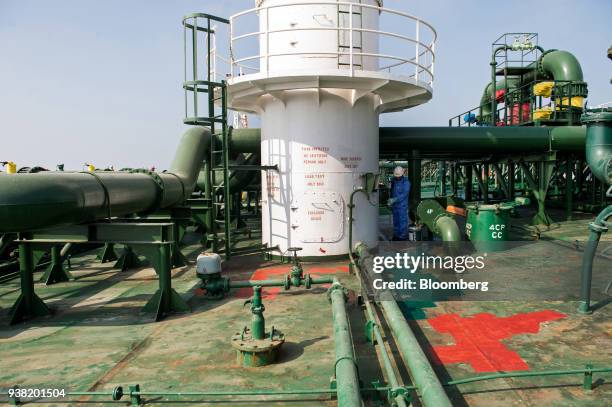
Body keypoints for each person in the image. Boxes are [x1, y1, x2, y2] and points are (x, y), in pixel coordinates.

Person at [388, 166, 411, 241]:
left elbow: (405, 194)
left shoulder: (406, 182)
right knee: (396, 221)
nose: (397, 177)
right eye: (396, 176)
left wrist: (395, 199)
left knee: (402, 221)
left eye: (399, 176)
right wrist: (390, 201)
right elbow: (391, 191)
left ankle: (402, 237)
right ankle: (396, 235)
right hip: (395, 206)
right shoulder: (393, 181)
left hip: (402, 206)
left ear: (402, 174)